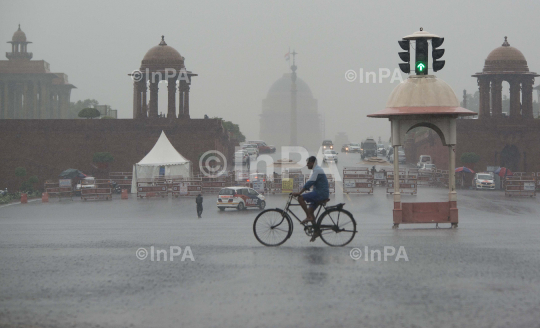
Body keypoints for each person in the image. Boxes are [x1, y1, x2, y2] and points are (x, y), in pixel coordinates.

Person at [292, 156, 329, 241]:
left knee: (300, 198)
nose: (307, 165)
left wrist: (299, 193)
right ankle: (317, 231)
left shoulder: (317, 170)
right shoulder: (316, 170)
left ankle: (308, 217)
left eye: (308, 163)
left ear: (312, 163)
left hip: (321, 194)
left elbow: (310, 182)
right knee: (310, 211)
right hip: (319, 193)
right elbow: (311, 183)